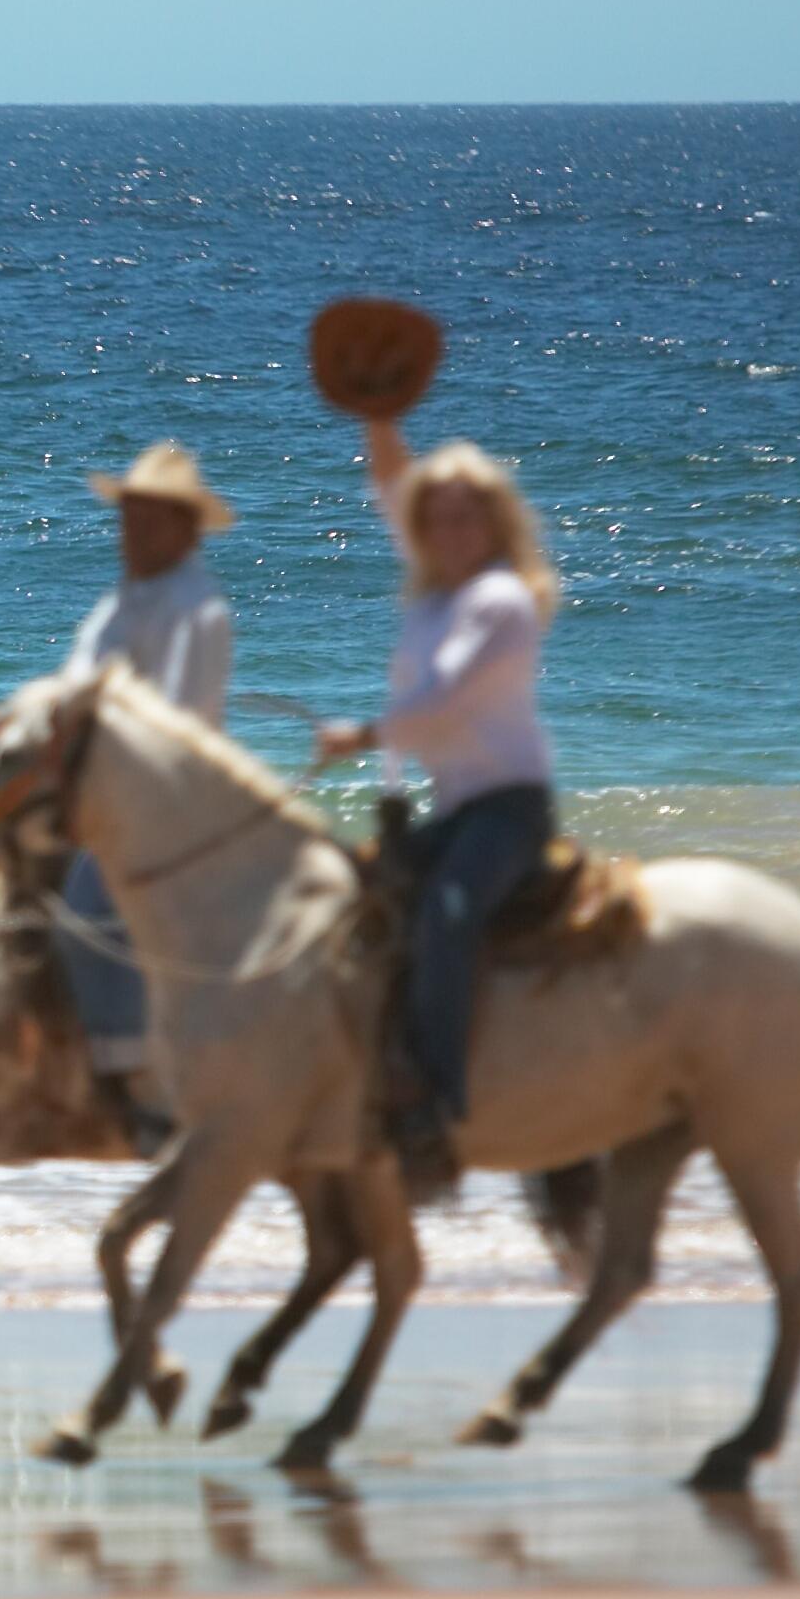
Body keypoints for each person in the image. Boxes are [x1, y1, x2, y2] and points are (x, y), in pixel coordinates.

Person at [313, 424, 561, 1200]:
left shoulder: (500, 599)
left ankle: (436, 1107)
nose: (451, 531)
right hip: (453, 808)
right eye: (439, 519)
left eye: (467, 517)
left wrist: (366, 735)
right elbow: (395, 491)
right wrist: (378, 418)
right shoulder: (437, 595)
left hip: (507, 810)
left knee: (448, 914)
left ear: (495, 524)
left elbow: (446, 693)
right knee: (348, 906)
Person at [0, 439, 233, 1143]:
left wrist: (80, 750)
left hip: (168, 806)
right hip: (105, 792)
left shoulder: (196, 611)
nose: (133, 532)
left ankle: (142, 1097)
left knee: (87, 922)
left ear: (183, 528)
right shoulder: (130, 599)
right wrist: (13, 721)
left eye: (148, 519)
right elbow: (77, 679)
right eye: (129, 517)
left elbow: (170, 724)